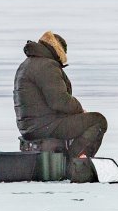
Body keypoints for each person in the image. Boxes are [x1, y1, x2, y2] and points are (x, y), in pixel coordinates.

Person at [14, 31, 107, 170]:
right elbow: (59, 101)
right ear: (59, 51)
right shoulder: (47, 66)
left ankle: (73, 160)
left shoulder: (27, 64)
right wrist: (80, 109)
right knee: (98, 121)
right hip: (45, 126)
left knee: (81, 120)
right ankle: (74, 165)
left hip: (31, 126)